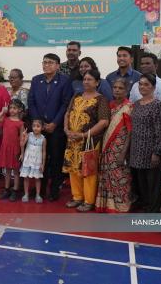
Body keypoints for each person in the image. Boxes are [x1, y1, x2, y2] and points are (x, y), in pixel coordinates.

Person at [62, 70, 111, 212]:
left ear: (97, 82)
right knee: (73, 168)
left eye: (89, 79)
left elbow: (104, 121)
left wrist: (84, 135)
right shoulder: (77, 96)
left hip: (90, 141)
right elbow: (67, 113)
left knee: (88, 170)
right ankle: (77, 197)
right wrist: (66, 129)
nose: (86, 82)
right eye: (84, 79)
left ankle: (89, 201)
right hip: (72, 139)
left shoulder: (101, 99)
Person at [28, 53, 72, 201]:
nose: (46, 65)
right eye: (45, 62)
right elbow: (31, 102)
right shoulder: (36, 80)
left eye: (50, 62)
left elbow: (66, 104)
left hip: (56, 128)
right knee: (39, 159)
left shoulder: (65, 81)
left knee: (55, 159)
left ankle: (54, 189)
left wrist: (55, 123)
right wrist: (38, 123)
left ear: (58, 66)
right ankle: (39, 189)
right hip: (38, 128)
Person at [129, 74, 161, 213]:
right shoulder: (136, 104)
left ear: (153, 87)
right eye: (140, 84)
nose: (142, 87)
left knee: (153, 183)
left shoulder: (158, 105)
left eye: (146, 84)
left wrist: (157, 153)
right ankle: (145, 205)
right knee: (140, 182)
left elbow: (160, 131)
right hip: (136, 150)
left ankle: (154, 209)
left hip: (150, 151)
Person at [95, 78, 133, 213]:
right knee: (106, 175)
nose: (117, 90)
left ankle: (121, 206)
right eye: (115, 87)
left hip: (119, 149)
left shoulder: (129, 108)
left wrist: (123, 152)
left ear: (127, 90)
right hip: (106, 146)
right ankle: (107, 205)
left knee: (119, 176)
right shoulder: (109, 105)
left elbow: (130, 132)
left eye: (120, 88)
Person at [0, 99, 25, 201]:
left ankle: (15, 190)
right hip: (5, 148)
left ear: (19, 110)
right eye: (10, 108)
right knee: (7, 170)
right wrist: (3, 112)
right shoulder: (5, 119)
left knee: (15, 171)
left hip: (15, 149)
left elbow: (22, 139)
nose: (12, 110)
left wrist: (22, 152)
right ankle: (6, 190)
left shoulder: (20, 123)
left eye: (14, 108)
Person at [19, 119, 47, 203]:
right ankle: (26, 194)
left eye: (38, 126)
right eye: (34, 126)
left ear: (42, 128)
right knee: (26, 177)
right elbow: (22, 145)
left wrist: (43, 164)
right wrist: (23, 137)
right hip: (28, 160)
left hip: (37, 161)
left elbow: (44, 152)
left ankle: (38, 195)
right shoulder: (29, 135)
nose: (35, 128)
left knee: (37, 178)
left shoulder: (43, 139)